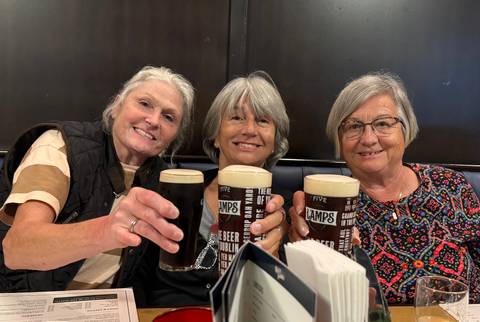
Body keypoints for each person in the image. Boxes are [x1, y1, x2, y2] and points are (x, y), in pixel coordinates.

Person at [289, 72, 480, 304]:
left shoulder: (451, 187)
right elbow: (309, 300)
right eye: (353, 126)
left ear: (405, 129)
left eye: (382, 123)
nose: (368, 138)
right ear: (339, 139)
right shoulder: (329, 206)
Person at [0, 66, 195, 291]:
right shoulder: (59, 145)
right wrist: (108, 230)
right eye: (144, 104)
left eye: (168, 117)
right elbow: (18, 248)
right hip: (28, 304)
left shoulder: (166, 181)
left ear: (175, 135)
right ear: (116, 106)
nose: (153, 120)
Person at [134, 71, 290, 307]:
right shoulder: (175, 191)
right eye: (236, 117)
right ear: (216, 136)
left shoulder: (284, 212)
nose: (249, 129)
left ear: (274, 142)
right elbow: (138, 273)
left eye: (262, 120)